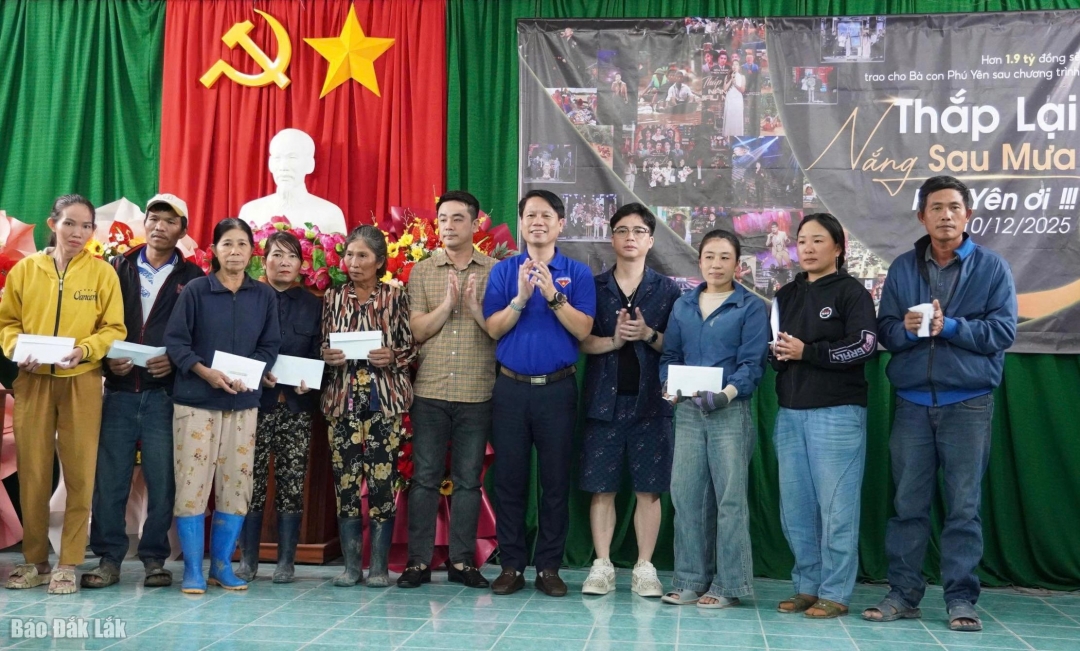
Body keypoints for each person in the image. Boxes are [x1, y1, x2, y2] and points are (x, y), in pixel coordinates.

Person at [864, 176, 1017, 632]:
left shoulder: (993, 268)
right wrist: (907, 330)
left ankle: (961, 599)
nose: (945, 215)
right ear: (922, 216)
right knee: (907, 506)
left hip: (968, 403)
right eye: (936, 207)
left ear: (967, 215)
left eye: (953, 207)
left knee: (964, 508)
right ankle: (902, 594)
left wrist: (950, 327)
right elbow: (885, 331)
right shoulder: (902, 268)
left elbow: (1003, 332)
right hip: (911, 404)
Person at [0, 195, 126, 594]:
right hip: (32, 381)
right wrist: (17, 349)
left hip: (82, 381)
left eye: (86, 226)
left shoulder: (103, 273)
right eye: (70, 223)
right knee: (34, 474)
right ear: (53, 223)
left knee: (80, 473)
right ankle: (35, 560)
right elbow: (7, 323)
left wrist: (85, 350)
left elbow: (114, 328)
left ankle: (69, 561)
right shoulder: (25, 270)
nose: (78, 233)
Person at [83, 194, 204, 590]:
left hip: (165, 396)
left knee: (163, 482)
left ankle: (155, 559)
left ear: (182, 230)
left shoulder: (194, 278)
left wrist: (176, 361)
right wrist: (107, 361)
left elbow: (202, 334)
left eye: (169, 221)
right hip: (119, 391)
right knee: (110, 481)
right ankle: (108, 559)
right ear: (145, 223)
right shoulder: (115, 268)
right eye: (153, 218)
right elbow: (95, 323)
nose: (159, 226)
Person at [483, 189, 595, 597]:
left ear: (560, 224)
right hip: (510, 390)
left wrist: (551, 295)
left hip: (557, 391)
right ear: (521, 223)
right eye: (530, 215)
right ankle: (512, 565)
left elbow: (583, 330)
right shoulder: (503, 271)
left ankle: (549, 567)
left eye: (546, 215)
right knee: (509, 481)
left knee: (555, 483)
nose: (537, 222)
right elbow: (493, 329)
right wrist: (520, 298)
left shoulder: (577, 272)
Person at [769, 213, 878, 618]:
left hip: (837, 413)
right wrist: (778, 354)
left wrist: (808, 352)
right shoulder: (785, 295)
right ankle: (807, 587)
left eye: (818, 240)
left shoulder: (852, 292)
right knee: (796, 510)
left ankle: (836, 592)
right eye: (802, 241)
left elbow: (865, 345)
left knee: (836, 510)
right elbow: (774, 349)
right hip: (789, 414)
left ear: (838, 247)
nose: (809, 248)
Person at [165, 217, 281, 593]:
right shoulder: (196, 291)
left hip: (243, 404)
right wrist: (206, 373)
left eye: (242, 244)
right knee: (192, 484)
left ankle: (221, 566)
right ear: (214, 250)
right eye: (227, 244)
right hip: (196, 403)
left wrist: (252, 372)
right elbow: (176, 342)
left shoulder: (263, 296)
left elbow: (269, 345)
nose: (234, 251)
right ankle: (192, 570)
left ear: (252, 252)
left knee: (237, 484)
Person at [659, 229, 768, 609]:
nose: (716, 264)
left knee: (729, 501)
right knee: (686, 496)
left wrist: (726, 394)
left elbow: (753, 364)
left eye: (725, 257)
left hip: (730, 413)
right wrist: (668, 388)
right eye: (709, 256)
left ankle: (729, 585)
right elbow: (670, 355)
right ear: (699, 261)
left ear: (737, 265)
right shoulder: (683, 305)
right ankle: (690, 580)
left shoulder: (750, 307)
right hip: (688, 412)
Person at [579, 204, 681, 598]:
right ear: (612, 238)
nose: (630, 237)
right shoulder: (594, 287)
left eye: (639, 231)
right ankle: (602, 565)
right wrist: (616, 340)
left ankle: (645, 567)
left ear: (650, 240)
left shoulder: (668, 290)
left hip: (652, 404)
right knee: (601, 488)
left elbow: (678, 346)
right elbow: (581, 341)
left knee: (648, 490)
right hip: (603, 402)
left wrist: (648, 335)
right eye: (622, 230)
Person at [397, 192, 496, 590]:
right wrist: (448, 304)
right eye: (443, 219)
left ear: (475, 224)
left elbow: (499, 331)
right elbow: (417, 332)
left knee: (469, 480)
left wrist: (473, 308)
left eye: (458, 219)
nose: (449, 226)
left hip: (477, 390)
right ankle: (418, 562)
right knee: (424, 479)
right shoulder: (423, 271)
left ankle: (462, 561)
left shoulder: (494, 271)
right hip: (431, 390)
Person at [321, 225, 416, 588]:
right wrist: (327, 355)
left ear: (379, 261)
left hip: (383, 402)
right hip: (342, 402)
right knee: (345, 484)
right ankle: (350, 568)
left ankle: (377, 567)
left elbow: (411, 348)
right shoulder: (333, 297)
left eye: (362, 256)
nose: (354, 262)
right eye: (349, 254)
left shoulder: (395, 297)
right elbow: (322, 344)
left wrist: (393, 356)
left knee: (382, 483)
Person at [234, 231, 321, 584]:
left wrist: (310, 380)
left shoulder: (314, 304)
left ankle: (286, 562)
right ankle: (248, 561)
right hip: (254, 405)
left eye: (292, 256)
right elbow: (236, 348)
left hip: (296, 406)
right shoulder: (247, 299)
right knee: (248, 482)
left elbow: (318, 352)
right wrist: (257, 374)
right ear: (263, 260)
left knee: (291, 483)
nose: (284, 262)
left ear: (301, 264)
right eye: (277, 255)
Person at [238, 128, 347, 234]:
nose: (283, 167)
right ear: (270, 163)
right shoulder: (250, 211)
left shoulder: (330, 214)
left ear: (310, 164)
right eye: (277, 158)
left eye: (292, 158)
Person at [723, 55, 746, 138]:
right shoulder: (727, 76)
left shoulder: (742, 77)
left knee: (737, 118)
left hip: (738, 100)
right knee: (729, 118)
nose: (734, 66)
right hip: (730, 99)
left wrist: (735, 84)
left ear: (739, 67)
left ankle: (737, 136)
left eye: (736, 64)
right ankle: (728, 136)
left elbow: (742, 90)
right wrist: (731, 80)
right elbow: (724, 89)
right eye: (733, 65)